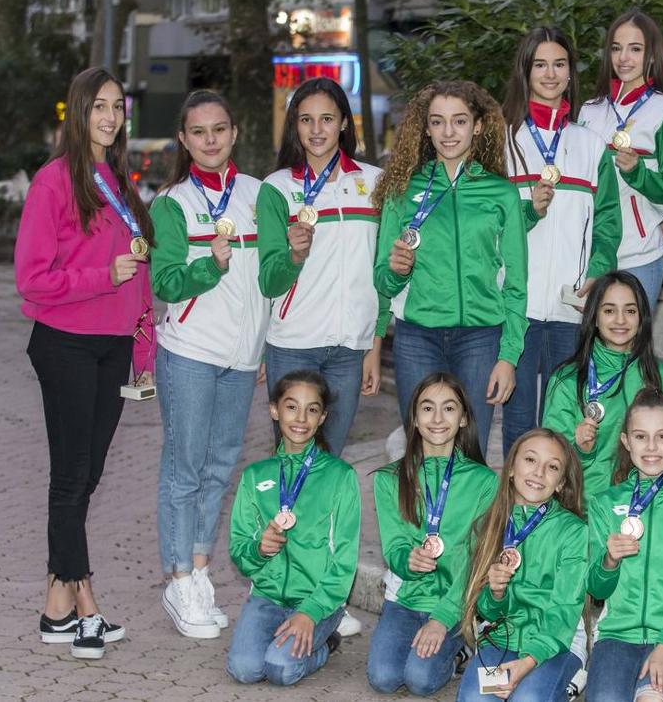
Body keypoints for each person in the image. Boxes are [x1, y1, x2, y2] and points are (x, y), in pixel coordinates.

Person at [16, 67, 154, 659]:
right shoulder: (53, 182)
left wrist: (143, 352)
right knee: (71, 480)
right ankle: (88, 606)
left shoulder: (119, 179)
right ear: (76, 111)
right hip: (66, 343)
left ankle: (55, 606)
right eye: (98, 106)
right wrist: (102, 276)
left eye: (117, 107)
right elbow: (32, 279)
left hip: (114, 346)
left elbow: (141, 269)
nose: (109, 117)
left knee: (87, 478)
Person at [149, 89, 268, 640]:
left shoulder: (258, 194)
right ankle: (178, 579)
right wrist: (208, 267)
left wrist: (292, 257)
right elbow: (165, 282)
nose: (210, 140)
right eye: (199, 132)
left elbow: (269, 282)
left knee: (221, 467)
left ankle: (199, 569)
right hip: (191, 351)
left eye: (219, 129)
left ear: (234, 133)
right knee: (185, 469)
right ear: (184, 139)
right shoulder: (172, 202)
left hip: (242, 356)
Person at [373, 80, 527, 453]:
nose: (448, 132)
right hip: (417, 337)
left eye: (459, 121)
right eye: (437, 122)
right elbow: (382, 280)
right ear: (426, 128)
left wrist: (508, 356)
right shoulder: (403, 189)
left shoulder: (501, 193)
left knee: (470, 451)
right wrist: (396, 268)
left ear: (477, 125)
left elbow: (517, 283)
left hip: (480, 337)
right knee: (420, 449)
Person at [502, 26, 622, 453]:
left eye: (559, 64)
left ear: (571, 73)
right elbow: (491, 227)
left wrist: (597, 273)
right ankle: (515, 508)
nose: (550, 74)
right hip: (515, 305)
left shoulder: (590, 145)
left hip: (572, 305)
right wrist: (528, 212)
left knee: (564, 416)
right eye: (540, 65)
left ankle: (560, 510)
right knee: (517, 420)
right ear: (525, 72)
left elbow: (608, 220)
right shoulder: (502, 142)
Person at [258, 77, 387, 456]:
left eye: (327, 119)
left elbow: (381, 275)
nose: (317, 130)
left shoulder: (374, 182)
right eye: (306, 120)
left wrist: (374, 344)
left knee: (330, 459)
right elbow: (268, 279)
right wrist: (293, 257)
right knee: (291, 457)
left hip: (351, 348)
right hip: (294, 345)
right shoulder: (277, 188)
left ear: (345, 123)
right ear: (294, 125)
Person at [225, 371, 361, 686]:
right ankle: (289, 640)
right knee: (244, 670)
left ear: (323, 416)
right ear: (274, 410)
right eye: (291, 407)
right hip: (267, 598)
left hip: (318, 601)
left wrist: (310, 612)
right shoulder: (255, 476)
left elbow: (344, 562)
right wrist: (259, 548)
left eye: (312, 409)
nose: (301, 418)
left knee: (281, 669)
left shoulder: (340, 476)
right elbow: (239, 550)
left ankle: (326, 642)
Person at [369, 373, 498, 696]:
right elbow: (395, 543)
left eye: (449, 408)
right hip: (406, 598)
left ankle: (463, 648)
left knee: (420, 680)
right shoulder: (389, 479)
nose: (437, 419)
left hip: (455, 601)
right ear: (413, 417)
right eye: (427, 408)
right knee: (383, 678)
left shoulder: (485, 482)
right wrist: (406, 559)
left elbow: (477, 558)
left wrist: (442, 618)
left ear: (465, 418)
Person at [586, 389, 663, 702]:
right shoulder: (605, 504)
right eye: (641, 437)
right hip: (617, 634)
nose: (652, 447)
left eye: (662, 436)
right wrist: (609, 562)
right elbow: (596, 590)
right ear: (627, 442)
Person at [457, 428, 587, 702]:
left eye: (552, 467)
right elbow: (486, 611)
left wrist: (528, 662)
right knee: (474, 699)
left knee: (527, 699)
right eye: (530, 460)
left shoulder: (574, 531)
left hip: (555, 643)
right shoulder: (489, 523)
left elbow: (564, 610)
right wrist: (495, 593)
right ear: (512, 468)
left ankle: (570, 679)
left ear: (561, 483)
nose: (539, 472)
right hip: (501, 638)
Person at [578, 10, 663, 311]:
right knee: (587, 348)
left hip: (639, 253)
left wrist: (637, 172)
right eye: (616, 47)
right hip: (589, 252)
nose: (624, 57)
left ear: (651, 54)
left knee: (633, 348)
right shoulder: (589, 110)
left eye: (635, 49)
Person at [541, 271, 663, 503]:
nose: (620, 320)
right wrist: (580, 448)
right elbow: (550, 457)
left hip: (641, 500)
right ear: (594, 317)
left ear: (642, 318)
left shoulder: (658, 376)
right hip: (581, 504)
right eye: (609, 310)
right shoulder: (566, 379)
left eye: (630, 311)